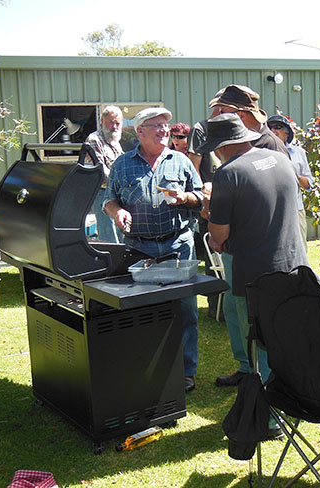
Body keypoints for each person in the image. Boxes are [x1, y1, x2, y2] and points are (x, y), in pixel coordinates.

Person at [204, 114, 308, 397]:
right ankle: (281, 388)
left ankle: (269, 409)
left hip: (253, 270)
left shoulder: (228, 173)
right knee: (282, 332)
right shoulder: (281, 159)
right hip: (293, 262)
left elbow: (220, 236)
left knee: (259, 337)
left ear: (220, 146)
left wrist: (209, 211)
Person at [104, 107, 204, 393]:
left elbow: (199, 197)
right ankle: (149, 366)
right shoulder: (122, 164)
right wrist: (118, 213)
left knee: (185, 310)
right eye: (157, 126)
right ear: (140, 132)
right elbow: (110, 200)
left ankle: (186, 371)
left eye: (166, 126)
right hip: (139, 249)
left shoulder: (180, 161)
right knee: (143, 311)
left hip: (178, 245)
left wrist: (184, 197)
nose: (164, 131)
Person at [187, 120, 222, 320]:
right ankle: (216, 307)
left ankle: (225, 307)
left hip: (228, 202)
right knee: (213, 255)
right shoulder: (201, 129)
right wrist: (203, 202)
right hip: (209, 203)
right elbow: (194, 167)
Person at [268, 114, 313, 250]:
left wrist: (293, 175)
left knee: (300, 249)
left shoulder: (298, 152)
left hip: (295, 208)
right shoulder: (261, 152)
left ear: (287, 133)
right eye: (269, 128)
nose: (272, 130)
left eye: (278, 127)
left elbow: (309, 184)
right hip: (270, 210)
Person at [208, 84, 289, 158]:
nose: (220, 116)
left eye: (223, 112)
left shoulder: (273, 148)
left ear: (241, 115)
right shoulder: (242, 141)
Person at [85, 105, 123, 243]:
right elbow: (99, 170)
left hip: (117, 192)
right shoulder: (94, 139)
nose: (114, 126)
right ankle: (111, 263)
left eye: (117, 123)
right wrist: (122, 183)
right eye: (111, 122)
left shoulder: (115, 142)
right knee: (108, 233)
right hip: (101, 193)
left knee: (121, 230)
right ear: (102, 121)